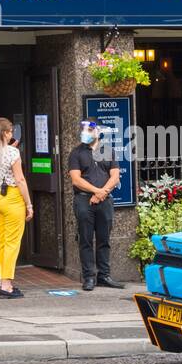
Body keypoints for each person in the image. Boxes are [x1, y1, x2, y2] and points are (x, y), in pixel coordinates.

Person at [68, 119, 122, 291]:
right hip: (84, 201)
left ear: (98, 131)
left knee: (104, 239)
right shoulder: (76, 153)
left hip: (104, 201)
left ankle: (104, 275)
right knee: (85, 239)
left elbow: (115, 176)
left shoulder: (108, 151)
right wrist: (96, 192)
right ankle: (89, 277)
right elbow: (76, 179)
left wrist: (101, 194)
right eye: (84, 129)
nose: (86, 132)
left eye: (90, 129)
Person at [0, 117, 32, 299]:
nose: (12, 133)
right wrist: (29, 204)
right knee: (12, 242)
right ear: (5, 133)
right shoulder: (12, 153)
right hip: (12, 198)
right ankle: (6, 285)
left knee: (1, 241)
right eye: (10, 131)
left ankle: (4, 281)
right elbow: (19, 179)